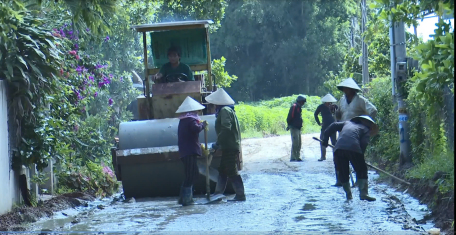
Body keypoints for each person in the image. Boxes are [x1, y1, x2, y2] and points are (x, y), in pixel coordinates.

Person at [332, 78, 378, 187]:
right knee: (339, 156)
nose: (344, 90)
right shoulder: (342, 100)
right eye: (343, 88)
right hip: (344, 131)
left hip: (357, 133)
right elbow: (339, 115)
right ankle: (341, 179)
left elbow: (373, 110)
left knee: (357, 157)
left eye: (346, 88)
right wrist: (335, 112)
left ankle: (359, 181)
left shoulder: (360, 100)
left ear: (352, 89)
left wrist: (365, 123)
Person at [322, 115, 378, 201]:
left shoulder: (346, 123)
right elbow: (363, 144)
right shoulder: (365, 129)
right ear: (367, 124)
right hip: (354, 148)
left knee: (343, 172)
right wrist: (360, 159)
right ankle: (363, 194)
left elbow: (333, 126)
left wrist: (325, 139)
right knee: (362, 170)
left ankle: (348, 195)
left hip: (338, 149)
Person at [205, 88, 246, 201]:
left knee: (232, 170)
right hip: (228, 145)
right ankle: (218, 193)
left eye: (212, 104)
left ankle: (240, 194)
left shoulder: (224, 111)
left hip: (230, 145)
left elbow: (226, 128)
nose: (212, 106)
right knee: (223, 169)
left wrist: (217, 143)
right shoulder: (228, 110)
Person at [176, 96, 208, 206]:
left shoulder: (184, 119)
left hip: (186, 151)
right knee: (191, 175)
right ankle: (186, 199)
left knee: (191, 174)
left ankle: (184, 198)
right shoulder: (190, 119)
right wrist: (202, 125)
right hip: (189, 151)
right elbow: (196, 129)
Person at [314, 94, 338, 161]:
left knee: (334, 142)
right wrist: (319, 123)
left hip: (333, 126)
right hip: (324, 126)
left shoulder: (335, 106)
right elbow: (315, 114)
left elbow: (339, 114)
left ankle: (335, 157)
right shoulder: (321, 107)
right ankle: (323, 156)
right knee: (322, 141)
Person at [286, 95, 306, 162]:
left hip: (298, 127)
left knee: (299, 143)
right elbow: (290, 117)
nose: (303, 104)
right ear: (300, 101)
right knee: (295, 143)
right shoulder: (294, 107)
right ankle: (293, 157)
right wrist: (289, 125)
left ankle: (297, 156)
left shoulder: (299, 107)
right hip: (294, 127)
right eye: (303, 102)